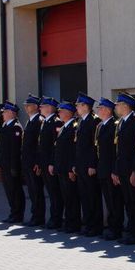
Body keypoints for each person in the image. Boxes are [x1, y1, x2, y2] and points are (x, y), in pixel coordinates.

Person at [113, 92, 135, 245]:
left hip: (131, 169)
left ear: (125, 106)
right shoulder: (121, 122)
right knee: (128, 202)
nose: (116, 107)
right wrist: (116, 171)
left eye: (118, 104)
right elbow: (118, 151)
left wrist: (134, 171)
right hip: (122, 169)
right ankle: (131, 231)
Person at [73, 94, 102, 236]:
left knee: (93, 197)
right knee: (84, 196)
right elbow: (78, 145)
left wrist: (92, 164)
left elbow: (94, 145)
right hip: (81, 165)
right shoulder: (81, 121)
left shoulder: (93, 121)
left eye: (78, 105)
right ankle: (88, 224)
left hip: (89, 166)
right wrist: (75, 164)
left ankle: (96, 226)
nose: (76, 107)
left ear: (85, 106)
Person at [94, 97, 123, 240]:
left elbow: (114, 151)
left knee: (114, 201)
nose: (98, 110)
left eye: (100, 108)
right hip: (102, 169)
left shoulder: (113, 125)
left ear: (107, 110)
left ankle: (116, 228)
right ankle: (111, 227)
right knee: (109, 201)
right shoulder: (101, 126)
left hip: (110, 169)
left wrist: (114, 170)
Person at [53, 100, 80, 233]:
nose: (59, 113)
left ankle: (73, 224)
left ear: (68, 113)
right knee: (66, 197)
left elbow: (72, 150)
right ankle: (68, 222)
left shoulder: (73, 127)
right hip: (61, 168)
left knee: (71, 197)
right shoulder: (64, 126)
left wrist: (71, 169)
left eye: (61, 111)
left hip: (67, 168)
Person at [38, 97, 64, 229]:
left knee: (55, 193)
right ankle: (53, 217)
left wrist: (52, 162)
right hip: (44, 162)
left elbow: (55, 145)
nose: (40, 108)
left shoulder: (55, 122)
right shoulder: (45, 122)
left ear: (49, 108)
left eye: (42, 106)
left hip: (50, 163)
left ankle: (56, 219)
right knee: (51, 192)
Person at [0, 101, 25, 223]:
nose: (2, 114)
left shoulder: (16, 127)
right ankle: (13, 212)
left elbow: (15, 149)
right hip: (5, 164)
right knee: (9, 190)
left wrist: (14, 166)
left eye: (4, 112)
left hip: (12, 165)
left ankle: (18, 214)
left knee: (15, 190)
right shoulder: (5, 126)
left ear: (11, 113)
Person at [21, 95, 45, 226]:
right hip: (27, 161)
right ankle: (34, 215)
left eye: (28, 105)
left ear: (36, 106)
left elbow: (39, 144)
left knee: (37, 190)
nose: (26, 107)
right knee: (31, 190)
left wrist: (38, 162)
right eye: (25, 105)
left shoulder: (39, 121)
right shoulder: (30, 120)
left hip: (34, 162)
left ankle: (38, 217)